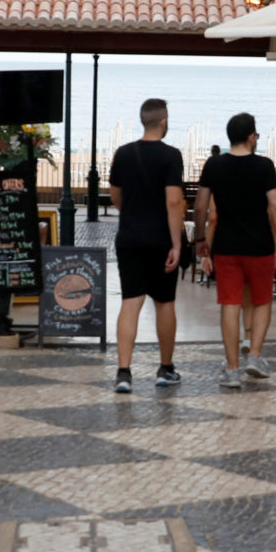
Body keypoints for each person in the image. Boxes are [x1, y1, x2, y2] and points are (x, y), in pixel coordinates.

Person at [194, 113, 276, 390]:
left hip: (226, 247)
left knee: (230, 305)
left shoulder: (214, 165)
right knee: (261, 301)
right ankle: (255, 356)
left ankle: (232, 369)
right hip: (259, 246)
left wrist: (200, 241)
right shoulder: (264, 166)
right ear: (252, 136)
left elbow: (201, 207)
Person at [105, 97, 186, 393]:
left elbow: (115, 194)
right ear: (164, 121)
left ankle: (123, 372)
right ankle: (165, 368)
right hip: (160, 239)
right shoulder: (171, 156)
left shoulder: (123, 153)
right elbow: (174, 201)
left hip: (129, 238)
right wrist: (177, 244)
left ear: (144, 120)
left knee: (131, 302)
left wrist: (132, 212)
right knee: (164, 303)